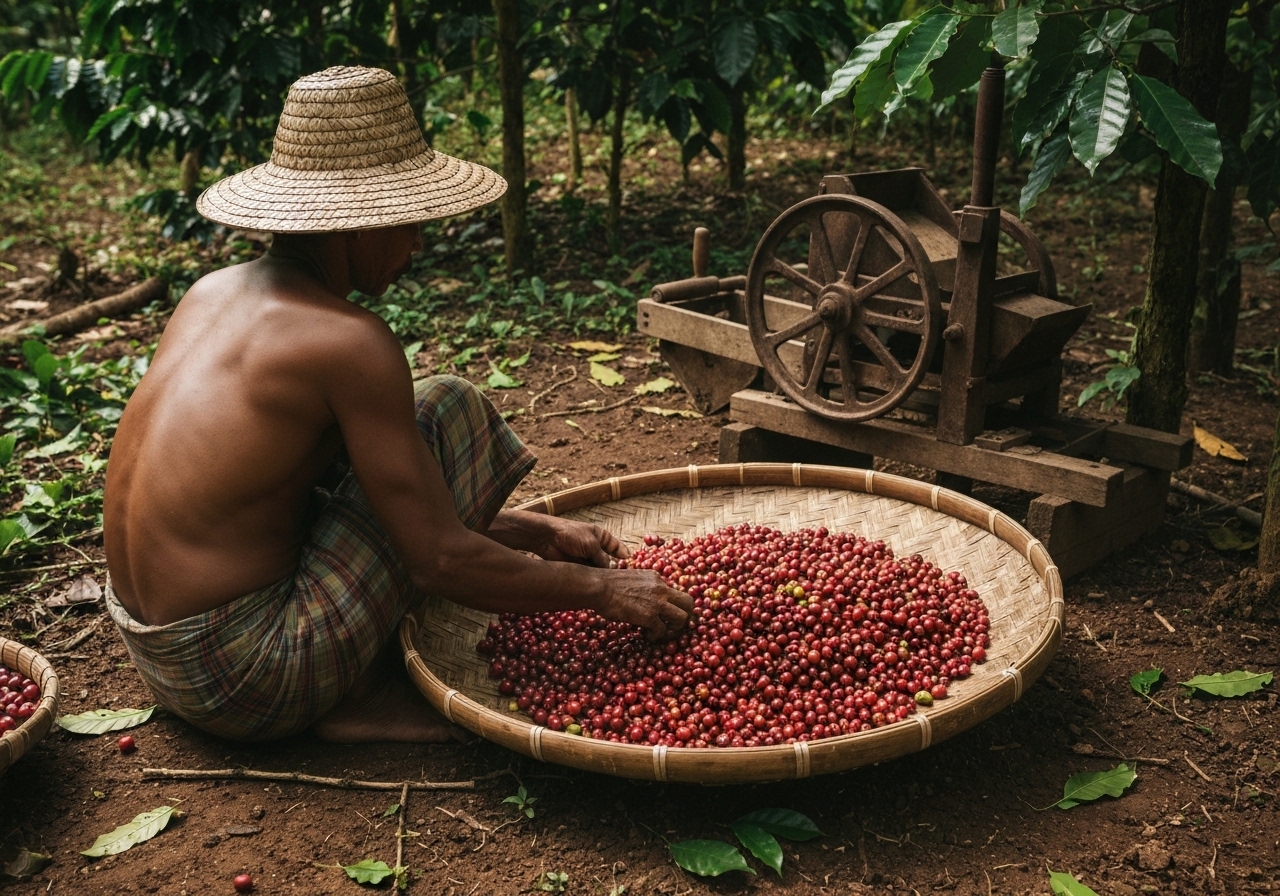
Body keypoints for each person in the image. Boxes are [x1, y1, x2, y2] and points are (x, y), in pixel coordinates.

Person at [102, 66, 692, 745]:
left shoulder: (210, 292)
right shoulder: (350, 342)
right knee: (448, 409)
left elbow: (315, 494)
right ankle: (353, 693)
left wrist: (535, 534)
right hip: (244, 678)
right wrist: (604, 593)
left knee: (415, 423)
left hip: (159, 653)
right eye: (408, 223)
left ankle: (336, 677)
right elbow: (436, 561)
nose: (416, 245)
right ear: (353, 226)